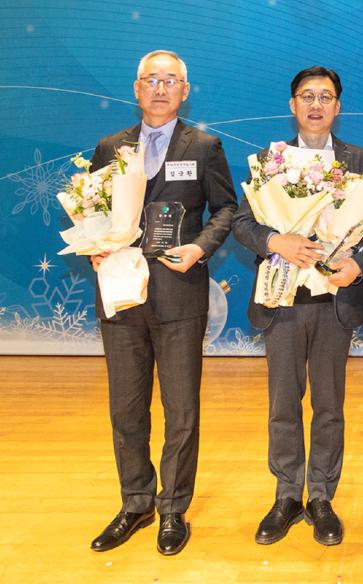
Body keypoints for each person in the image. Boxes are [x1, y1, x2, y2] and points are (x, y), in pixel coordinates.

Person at [88, 50, 238, 555]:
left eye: (170, 80)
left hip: (179, 295)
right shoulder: (110, 147)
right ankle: (136, 502)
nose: (159, 88)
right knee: (125, 408)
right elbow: (94, 211)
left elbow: (227, 209)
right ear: (136, 89)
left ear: (184, 90)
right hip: (121, 293)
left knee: (181, 411)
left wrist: (199, 247)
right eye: (151, 79)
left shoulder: (205, 145)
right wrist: (94, 245)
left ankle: (173, 508)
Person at [232, 66, 363, 547]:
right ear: (292, 105)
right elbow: (241, 221)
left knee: (329, 404)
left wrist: (357, 264)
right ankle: (287, 494)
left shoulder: (358, 159)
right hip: (283, 298)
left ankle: (322, 497)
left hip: (334, 299)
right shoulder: (267, 160)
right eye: (307, 96)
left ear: (338, 107)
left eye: (326, 96)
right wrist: (276, 239)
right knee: (282, 403)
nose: (316, 104)